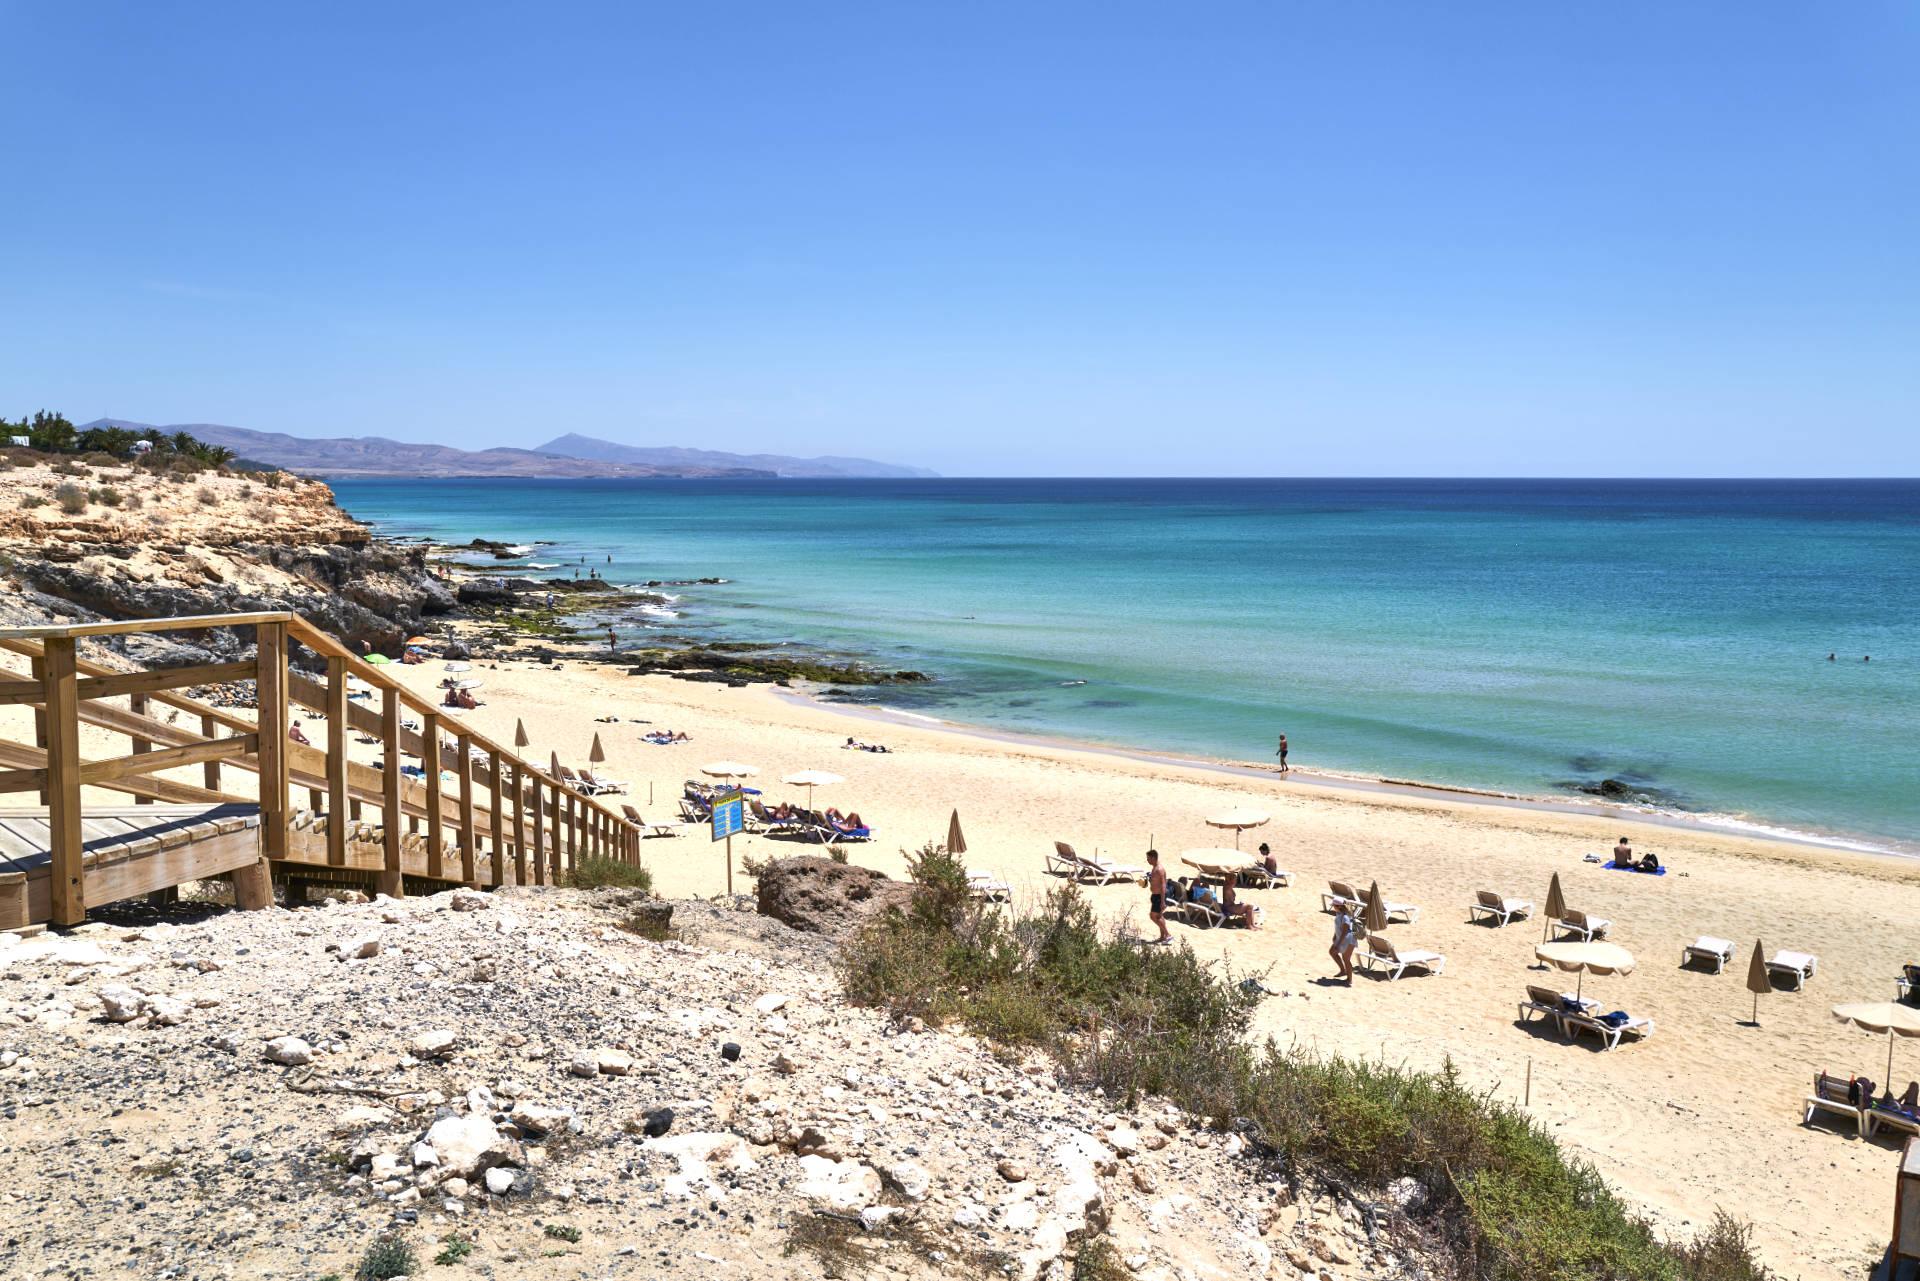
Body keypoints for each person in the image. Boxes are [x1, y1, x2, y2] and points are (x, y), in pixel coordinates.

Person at [1146, 849, 1172, 945]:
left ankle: (1167, 934)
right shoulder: (1154, 868)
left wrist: (1162, 902)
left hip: (1159, 896)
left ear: (1153, 858)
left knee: (1153, 916)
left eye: (1149, 858)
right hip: (1155, 895)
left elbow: (1163, 885)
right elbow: (1155, 881)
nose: (1147, 860)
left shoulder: (1159, 869)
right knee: (1159, 916)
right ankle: (1162, 937)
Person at [1329, 902, 1357, 982]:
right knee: (1332, 952)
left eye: (1333, 905)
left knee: (1346, 959)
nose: (1332, 907)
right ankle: (1343, 971)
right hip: (1341, 938)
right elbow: (1338, 927)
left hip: (1348, 940)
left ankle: (1349, 980)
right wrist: (1335, 936)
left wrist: (1338, 944)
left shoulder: (1345, 917)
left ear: (1338, 906)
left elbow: (1345, 932)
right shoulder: (1338, 914)